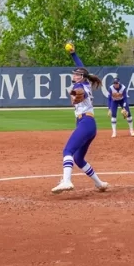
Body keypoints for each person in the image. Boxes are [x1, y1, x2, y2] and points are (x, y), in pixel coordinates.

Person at [51, 42, 109, 194]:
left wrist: (74, 94)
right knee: (78, 158)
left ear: (81, 77)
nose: (74, 75)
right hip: (89, 125)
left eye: (76, 74)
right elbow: (83, 68)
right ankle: (100, 183)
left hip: (85, 123)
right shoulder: (87, 83)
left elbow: (77, 91)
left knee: (67, 151)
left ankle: (67, 181)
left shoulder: (80, 86)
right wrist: (73, 54)